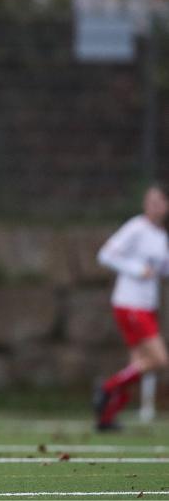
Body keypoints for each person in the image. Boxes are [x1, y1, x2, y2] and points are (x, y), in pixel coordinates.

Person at [94, 184, 169, 430]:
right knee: (159, 359)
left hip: (147, 305)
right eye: (150, 201)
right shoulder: (136, 228)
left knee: (137, 364)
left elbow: (163, 269)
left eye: (159, 202)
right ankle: (107, 389)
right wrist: (137, 270)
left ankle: (106, 418)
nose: (154, 206)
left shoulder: (160, 236)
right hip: (130, 303)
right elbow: (105, 254)